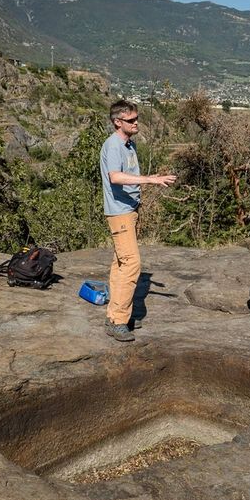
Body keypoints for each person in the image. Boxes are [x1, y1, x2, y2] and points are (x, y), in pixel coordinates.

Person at [99, 99, 176, 342]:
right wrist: (150, 180)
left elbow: (130, 174)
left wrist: (149, 177)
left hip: (129, 210)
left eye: (136, 119)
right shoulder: (113, 145)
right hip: (119, 212)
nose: (136, 123)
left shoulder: (128, 145)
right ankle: (118, 320)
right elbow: (115, 177)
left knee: (121, 264)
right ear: (117, 122)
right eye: (131, 120)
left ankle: (118, 312)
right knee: (132, 264)